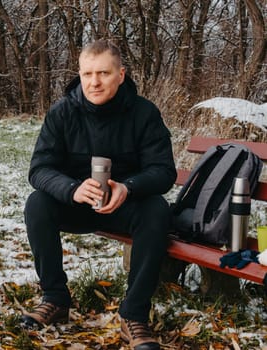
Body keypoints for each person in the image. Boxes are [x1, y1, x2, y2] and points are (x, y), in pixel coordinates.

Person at [21, 40, 177, 350]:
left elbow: (163, 172)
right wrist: (71, 189)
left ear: (121, 74)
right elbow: (39, 169)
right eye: (87, 73)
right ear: (78, 74)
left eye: (104, 73)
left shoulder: (144, 113)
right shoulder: (62, 112)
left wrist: (128, 187)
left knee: (157, 209)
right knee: (36, 203)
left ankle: (133, 315)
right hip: (76, 205)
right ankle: (55, 298)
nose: (94, 82)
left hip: (125, 207)